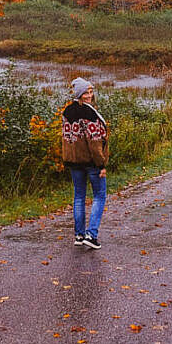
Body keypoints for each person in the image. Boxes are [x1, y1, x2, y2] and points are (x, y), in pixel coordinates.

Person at [61, 77, 108, 249]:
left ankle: (79, 235)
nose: (89, 95)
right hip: (90, 162)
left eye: (90, 91)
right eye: (86, 92)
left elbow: (67, 138)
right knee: (99, 196)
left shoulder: (67, 112)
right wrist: (101, 165)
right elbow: (95, 142)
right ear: (79, 94)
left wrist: (67, 158)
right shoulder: (89, 113)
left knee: (79, 196)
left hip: (74, 161)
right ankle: (91, 235)